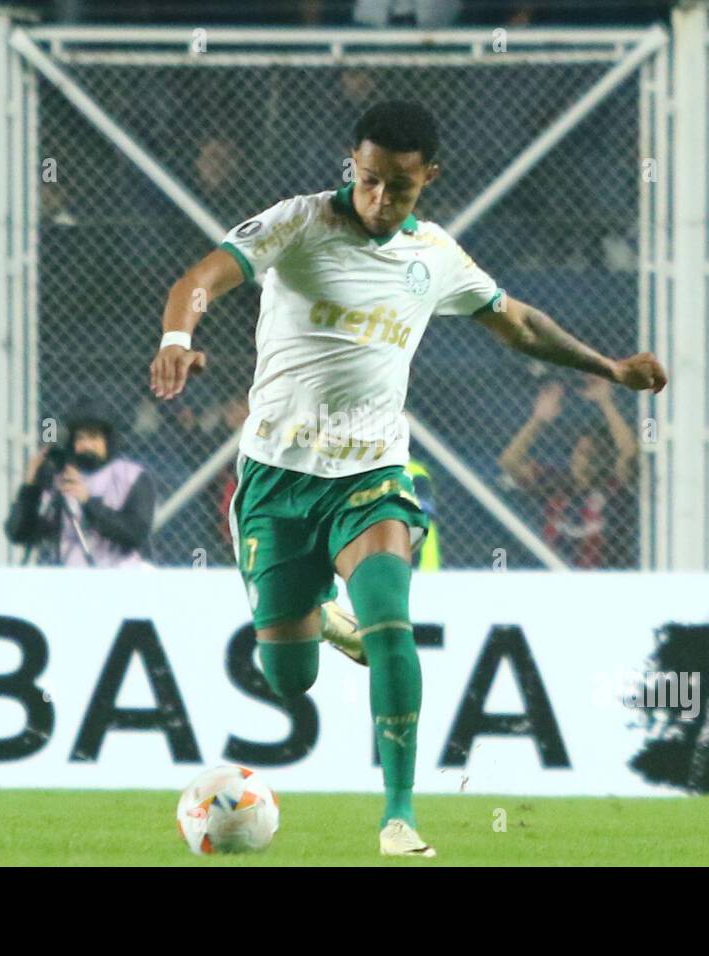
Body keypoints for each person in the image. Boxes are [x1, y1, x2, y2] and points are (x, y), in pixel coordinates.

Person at [149, 100, 667, 856]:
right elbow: (202, 275)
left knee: (392, 622)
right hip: (275, 479)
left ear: (429, 178)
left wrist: (610, 367)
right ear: (350, 169)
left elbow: (517, 322)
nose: (381, 200)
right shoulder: (298, 223)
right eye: (368, 181)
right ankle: (319, 612)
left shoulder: (435, 256)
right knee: (288, 679)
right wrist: (177, 334)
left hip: (371, 473)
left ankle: (399, 817)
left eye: (400, 186)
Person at [498, 378, 638, 568]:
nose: (582, 459)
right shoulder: (554, 482)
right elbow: (509, 462)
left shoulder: (612, 487)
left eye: (591, 454)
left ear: (603, 458)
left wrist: (606, 404)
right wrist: (538, 421)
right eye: (579, 452)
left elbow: (629, 452)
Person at [6, 402, 156, 567]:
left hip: (118, 575)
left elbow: (134, 534)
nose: (86, 445)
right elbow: (17, 534)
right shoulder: (60, 478)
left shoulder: (132, 476)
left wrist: (87, 501)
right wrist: (30, 488)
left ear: (108, 440)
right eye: (80, 438)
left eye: (93, 437)